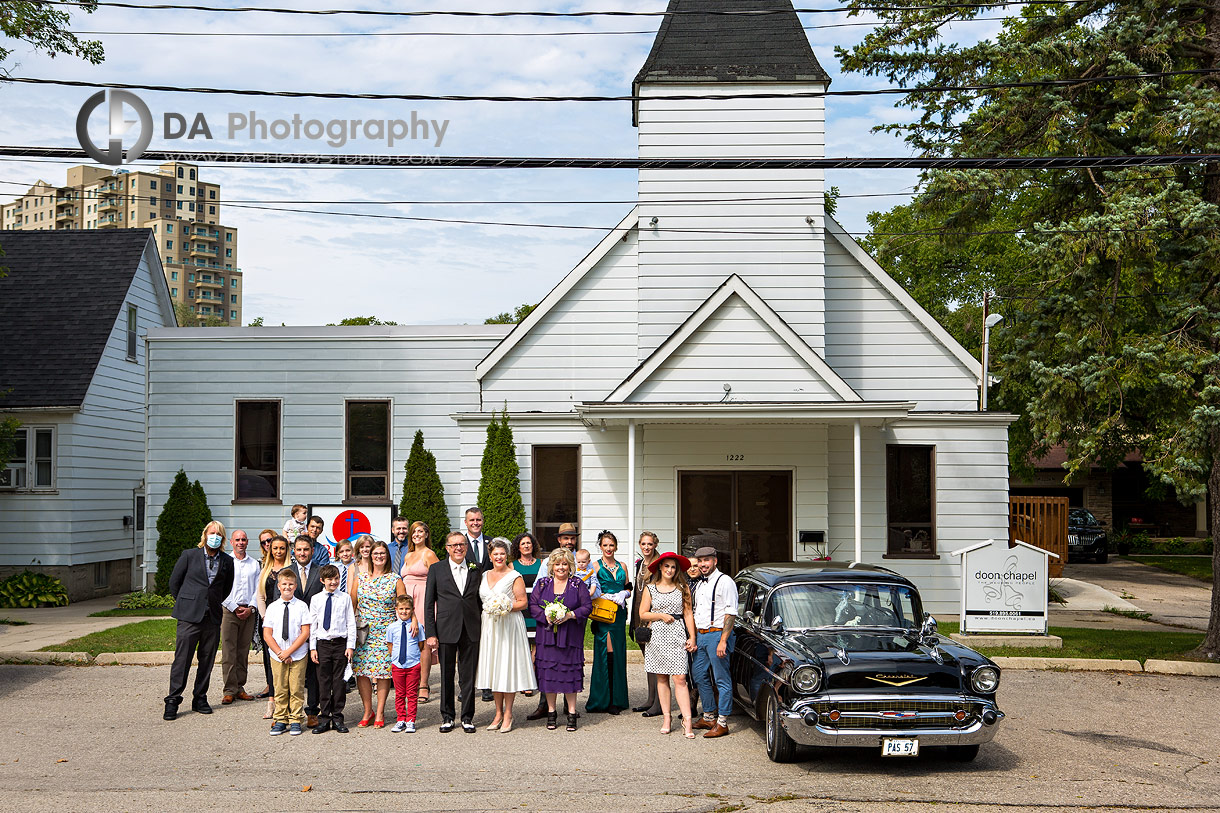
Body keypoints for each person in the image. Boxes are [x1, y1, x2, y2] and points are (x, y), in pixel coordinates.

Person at [164, 520, 235, 721]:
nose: (215, 536)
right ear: (205, 535)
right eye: (212, 533)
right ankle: (173, 700)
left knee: (207, 660)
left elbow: (225, 588)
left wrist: (210, 602)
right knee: (182, 660)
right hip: (189, 617)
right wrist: (188, 602)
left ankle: (200, 698)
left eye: (219, 534)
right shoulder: (189, 555)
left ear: (222, 539)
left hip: (211, 617)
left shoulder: (227, 561)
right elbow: (174, 583)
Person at [424, 531, 483, 733]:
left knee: (468, 676)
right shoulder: (436, 569)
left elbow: (480, 600)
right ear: (447, 548)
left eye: (462, 544)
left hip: (471, 628)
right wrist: (431, 633)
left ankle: (467, 717)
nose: (458, 548)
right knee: (447, 675)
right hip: (446, 628)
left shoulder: (477, 569)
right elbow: (428, 603)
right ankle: (447, 717)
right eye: (454, 545)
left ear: (466, 547)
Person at [475, 538, 537, 733]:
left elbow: (523, 602)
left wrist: (506, 606)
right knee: (494, 668)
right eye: (496, 554)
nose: (499, 557)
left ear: (506, 555)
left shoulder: (514, 576)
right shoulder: (484, 575)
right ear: (490, 556)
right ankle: (498, 713)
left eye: (502, 554)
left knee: (507, 668)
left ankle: (509, 713)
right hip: (490, 627)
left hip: (509, 625)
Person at [529, 548, 592, 731]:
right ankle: (551, 712)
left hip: (570, 638)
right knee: (548, 674)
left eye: (564, 563)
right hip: (547, 638)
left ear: (570, 565)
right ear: (552, 566)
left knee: (569, 674)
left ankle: (571, 713)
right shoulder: (542, 584)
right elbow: (533, 605)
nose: (561, 567)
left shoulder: (577, 584)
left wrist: (570, 615)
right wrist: (545, 616)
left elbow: (587, 607)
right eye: (557, 564)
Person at [639, 551, 698, 737]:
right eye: (667, 566)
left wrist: (692, 637)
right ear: (660, 568)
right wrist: (661, 616)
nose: (670, 570)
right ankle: (666, 717)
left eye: (673, 567)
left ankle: (687, 720)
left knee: (680, 678)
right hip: (657, 635)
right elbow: (643, 613)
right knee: (662, 678)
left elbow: (688, 614)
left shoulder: (683, 588)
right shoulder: (650, 588)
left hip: (678, 634)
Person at [350, 540, 406, 728]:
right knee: (362, 671)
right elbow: (351, 605)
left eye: (382, 553)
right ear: (370, 556)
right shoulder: (361, 578)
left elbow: (404, 605)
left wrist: (411, 622)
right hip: (363, 633)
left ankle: (380, 711)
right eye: (376, 553)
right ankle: (368, 710)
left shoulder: (395, 579)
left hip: (386, 632)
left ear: (387, 556)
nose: (379, 556)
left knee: (383, 672)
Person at [689, 545, 738, 738]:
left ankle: (723, 722)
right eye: (700, 561)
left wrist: (723, 640)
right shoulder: (701, 584)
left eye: (706, 560)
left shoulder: (725, 581)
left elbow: (730, 613)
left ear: (715, 561)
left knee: (721, 678)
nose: (702, 564)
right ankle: (709, 715)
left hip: (717, 634)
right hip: (701, 635)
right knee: (699, 673)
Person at [586, 530, 630, 715]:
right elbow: (588, 586)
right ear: (600, 546)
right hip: (603, 614)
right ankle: (604, 699)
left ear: (616, 547)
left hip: (619, 614)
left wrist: (624, 593)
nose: (608, 548)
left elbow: (628, 585)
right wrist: (601, 595)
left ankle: (617, 698)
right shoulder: (594, 565)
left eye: (611, 545)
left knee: (618, 654)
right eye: (605, 545)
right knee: (606, 652)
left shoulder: (623, 565)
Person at [262, 569, 311, 736]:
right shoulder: (272, 607)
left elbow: (305, 632)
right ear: (279, 586)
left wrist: (289, 651)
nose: (287, 587)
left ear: (295, 586)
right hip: (277, 655)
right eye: (284, 584)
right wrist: (280, 652)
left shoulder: (302, 606)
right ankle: (281, 718)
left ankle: (296, 718)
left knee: (296, 687)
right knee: (280, 687)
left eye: (291, 584)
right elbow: (267, 633)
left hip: (298, 654)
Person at [309, 563, 356, 734]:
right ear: (322, 580)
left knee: (339, 683)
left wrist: (350, 646)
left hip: (340, 644)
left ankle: (337, 717)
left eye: (336, 578)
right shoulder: (316, 599)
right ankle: (324, 718)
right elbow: (313, 625)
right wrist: (312, 648)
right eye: (329, 579)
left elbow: (351, 622)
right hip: (322, 644)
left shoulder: (344, 598)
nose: (333, 582)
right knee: (323, 682)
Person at [400, 520, 439, 704]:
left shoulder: (429, 554)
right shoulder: (408, 555)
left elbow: (438, 577)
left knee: (422, 641)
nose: (417, 535)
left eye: (420, 532)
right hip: (406, 600)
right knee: (409, 641)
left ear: (426, 535)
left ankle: (423, 684)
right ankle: (411, 683)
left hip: (423, 598)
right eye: (414, 532)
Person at [220, 528, 261, 705]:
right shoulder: (226, 562)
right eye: (237, 540)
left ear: (247, 542)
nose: (240, 542)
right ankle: (229, 689)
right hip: (229, 611)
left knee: (243, 651)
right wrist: (234, 607)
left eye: (243, 539)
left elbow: (258, 588)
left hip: (249, 611)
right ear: (231, 542)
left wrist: (251, 608)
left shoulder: (254, 564)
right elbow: (220, 588)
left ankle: (240, 687)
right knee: (229, 651)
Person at [290, 535, 325, 728]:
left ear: (312, 551)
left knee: (313, 674)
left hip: (315, 631)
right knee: (292, 674)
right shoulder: (287, 573)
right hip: (292, 632)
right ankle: (289, 712)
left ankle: (312, 711)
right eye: (299, 549)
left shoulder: (320, 572)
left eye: (306, 549)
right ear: (294, 551)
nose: (302, 553)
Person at [256, 533, 291, 718]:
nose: (278, 551)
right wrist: (264, 619)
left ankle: (285, 700)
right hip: (269, 623)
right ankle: (272, 701)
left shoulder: (291, 568)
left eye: (282, 548)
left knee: (286, 661)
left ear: (287, 550)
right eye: (275, 548)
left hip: (287, 622)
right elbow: (260, 597)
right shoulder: (265, 569)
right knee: (271, 662)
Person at [630, 531, 663, 716]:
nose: (646, 547)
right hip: (639, 617)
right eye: (643, 544)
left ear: (655, 545)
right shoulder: (640, 564)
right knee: (649, 660)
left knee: (658, 661)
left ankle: (659, 703)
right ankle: (650, 699)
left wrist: (653, 619)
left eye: (650, 544)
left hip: (653, 619)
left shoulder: (659, 565)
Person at [386, 594, 426, 733]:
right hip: (397, 665)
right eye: (401, 608)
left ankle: (410, 720)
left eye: (407, 609)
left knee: (412, 694)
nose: (404, 611)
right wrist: (395, 659)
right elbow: (390, 645)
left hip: (413, 665)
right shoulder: (391, 627)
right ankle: (401, 719)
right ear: (396, 609)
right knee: (399, 694)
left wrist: (413, 657)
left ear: (412, 609)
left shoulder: (418, 627)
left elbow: (421, 644)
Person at [252, 528, 278, 701]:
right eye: (264, 542)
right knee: (268, 653)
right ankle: (271, 684)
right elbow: (259, 595)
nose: (267, 544)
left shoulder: (289, 563)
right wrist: (264, 617)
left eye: (270, 541)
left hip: (286, 615)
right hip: (267, 615)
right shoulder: (262, 565)